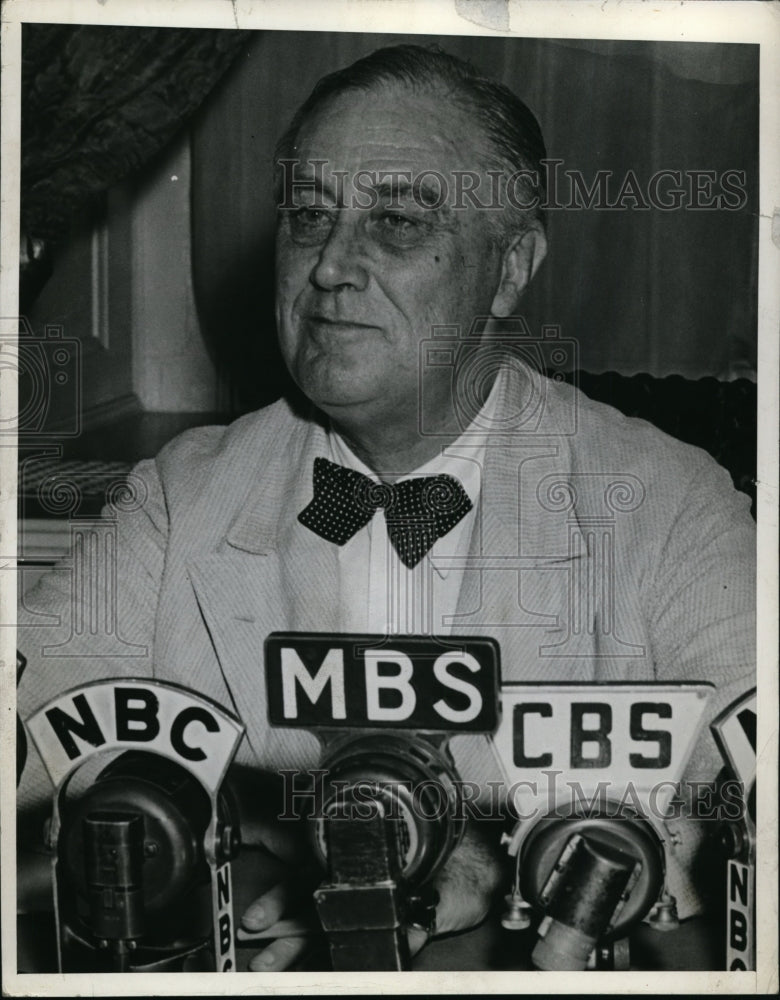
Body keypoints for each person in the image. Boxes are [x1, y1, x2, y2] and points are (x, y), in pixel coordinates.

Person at [16, 44, 755, 972]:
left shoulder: (671, 504)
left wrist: (487, 858)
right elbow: (25, 722)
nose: (329, 267)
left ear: (510, 267)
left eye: (397, 221)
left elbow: (744, 795)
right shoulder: (182, 498)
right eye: (309, 217)